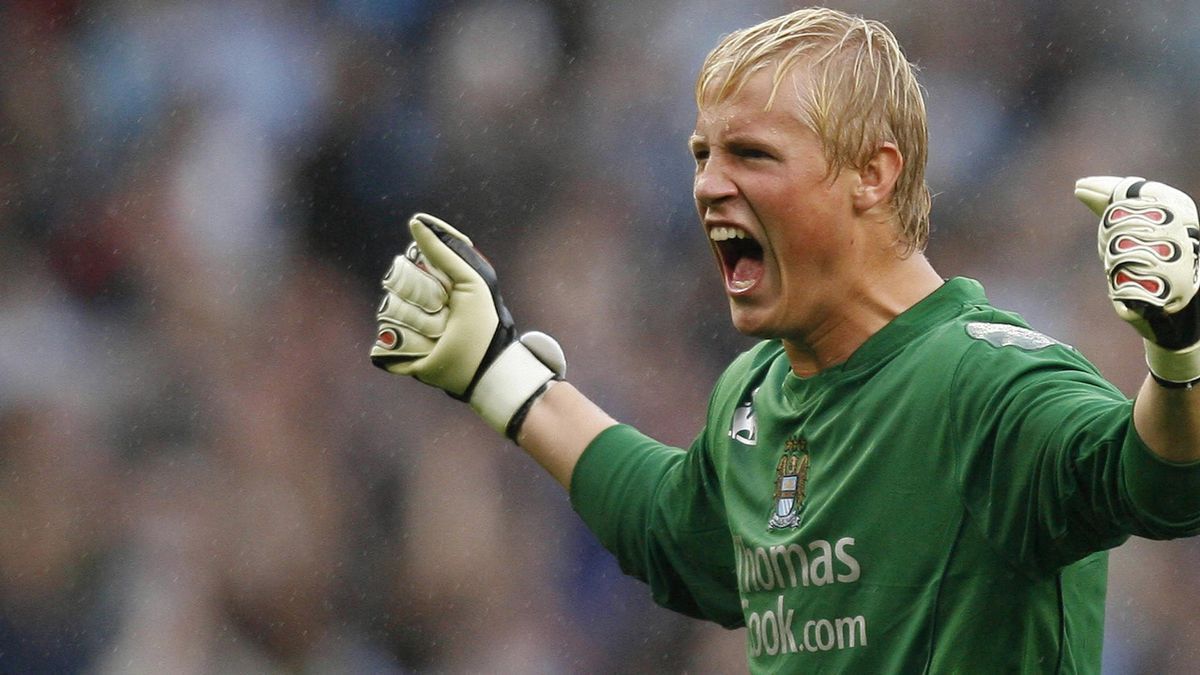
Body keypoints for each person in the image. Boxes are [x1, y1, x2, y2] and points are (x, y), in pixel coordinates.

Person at [369, 7, 1200, 672]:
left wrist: (1177, 357)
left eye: (751, 154)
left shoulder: (985, 382)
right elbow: (673, 527)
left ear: (874, 175)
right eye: (702, 154)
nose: (707, 185)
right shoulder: (757, 391)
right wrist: (496, 371)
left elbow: (1158, 480)